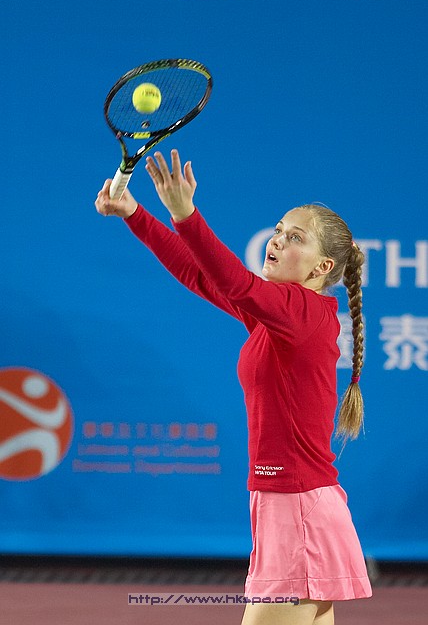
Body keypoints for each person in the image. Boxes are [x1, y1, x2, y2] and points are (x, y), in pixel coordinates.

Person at [95, 149, 372, 625]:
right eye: (279, 230)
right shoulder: (280, 318)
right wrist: (135, 213)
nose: (277, 240)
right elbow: (201, 276)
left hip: (297, 511)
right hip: (294, 505)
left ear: (322, 267)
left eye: (295, 238)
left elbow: (234, 282)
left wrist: (186, 214)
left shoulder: (301, 313)